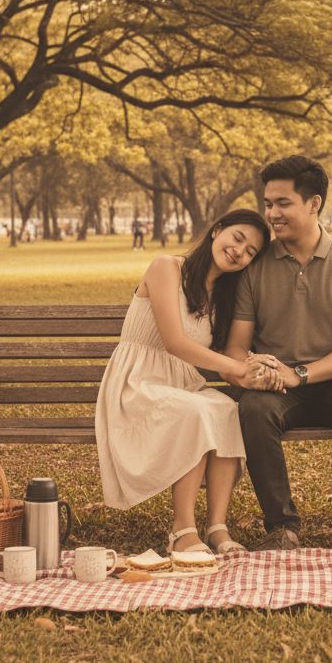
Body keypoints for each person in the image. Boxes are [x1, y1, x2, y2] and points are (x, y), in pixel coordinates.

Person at [225, 156, 332, 552]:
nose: (272, 214)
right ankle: (281, 527)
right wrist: (255, 369)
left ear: (313, 204)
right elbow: (235, 346)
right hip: (276, 385)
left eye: (283, 203)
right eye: (268, 204)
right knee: (253, 409)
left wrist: (300, 372)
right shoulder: (256, 266)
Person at [95, 208, 278, 556]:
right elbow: (174, 342)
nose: (239, 252)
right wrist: (237, 369)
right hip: (137, 383)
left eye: (250, 251)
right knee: (194, 412)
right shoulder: (167, 267)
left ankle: (217, 528)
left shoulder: (223, 297)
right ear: (216, 230)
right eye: (237, 238)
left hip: (181, 383)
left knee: (225, 408)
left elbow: (228, 360)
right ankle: (182, 531)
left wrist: (258, 368)